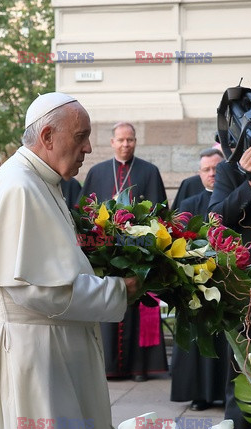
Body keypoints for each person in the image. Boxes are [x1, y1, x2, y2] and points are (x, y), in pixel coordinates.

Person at [0, 92, 140, 429]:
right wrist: (119, 290)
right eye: (81, 136)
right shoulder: (19, 186)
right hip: (24, 354)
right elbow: (38, 290)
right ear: (47, 136)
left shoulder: (39, 180)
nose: (88, 148)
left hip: (41, 350)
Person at [79, 122, 168, 381]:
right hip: (107, 254)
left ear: (136, 142)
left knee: (137, 307)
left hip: (138, 254)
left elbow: (159, 215)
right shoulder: (97, 172)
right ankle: (109, 367)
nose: (125, 144)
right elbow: (86, 213)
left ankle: (139, 367)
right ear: (112, 142)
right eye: (121, 140)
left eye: (130, 140)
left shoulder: (149, 171)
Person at [208, 142, 251, 429]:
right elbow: (214, 220)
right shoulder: (230, 170)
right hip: (249, 297)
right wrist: (250, 181)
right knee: (242, 387)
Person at [170, 148, 229, 411]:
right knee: (200, 338)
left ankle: (226, 392)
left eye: (216, 169)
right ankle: (200, 395)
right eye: (206, 170)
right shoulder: (189, 204)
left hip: (228, 282)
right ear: (199, 173)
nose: (212, 174)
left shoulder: (233, 200)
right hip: (197, 280)